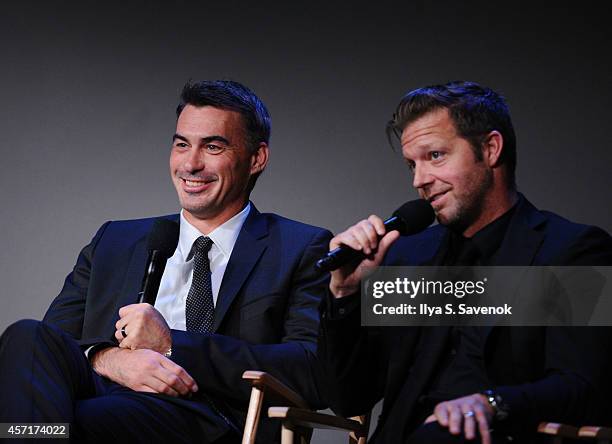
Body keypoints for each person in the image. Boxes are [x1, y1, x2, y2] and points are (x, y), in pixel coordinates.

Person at [0, 80, 331, 443]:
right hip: (102, 392)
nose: (191, 164)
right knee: (27, 336)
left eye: (213, 146)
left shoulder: (301, 247)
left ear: (256, 158)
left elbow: (311, 369)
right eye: (181, 145)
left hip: (207, 416)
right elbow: (53, 350)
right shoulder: (115, 239)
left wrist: (171, 345)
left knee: (58, 424)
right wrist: (111, 360)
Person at [318, 81, 612, 444]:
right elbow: (349, 397)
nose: (419, 180)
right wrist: (345, 294)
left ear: (490, 149)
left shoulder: (571, 251)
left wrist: (492, 404)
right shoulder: (407, 257)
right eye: (412, 164)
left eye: (435, 156)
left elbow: (583, 385)